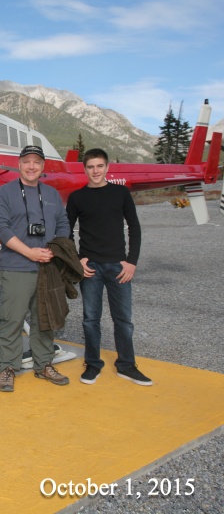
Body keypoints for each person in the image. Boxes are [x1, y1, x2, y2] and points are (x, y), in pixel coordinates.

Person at [66, 148, 152, 386]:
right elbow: (66, 232)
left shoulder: (120, 193)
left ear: (107, 168)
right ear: (85, 169)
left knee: (123, 318)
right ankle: (93, 364)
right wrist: (77, 261)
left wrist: (132, 261)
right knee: (90, 319)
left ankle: (126, 365)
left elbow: (134, 227)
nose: (95, 171)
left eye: (100, 166)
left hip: (118, 266)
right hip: (90, 267)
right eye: (91, 167)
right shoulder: (77, 197)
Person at [0, 144, 71, 393]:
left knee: (44, 319)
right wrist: (29, 252)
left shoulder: (52, 194)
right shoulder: (5, 192)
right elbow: (1, 228)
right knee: (12, 319)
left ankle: (44, 364)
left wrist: (55, 250)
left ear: (43, 166)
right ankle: (8, 367)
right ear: (19, 164)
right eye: (27, 161)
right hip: (17, 266)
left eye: (37, 162)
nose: (32, 166)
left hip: (47, 268)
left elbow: (64, 223)